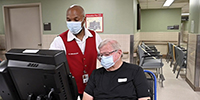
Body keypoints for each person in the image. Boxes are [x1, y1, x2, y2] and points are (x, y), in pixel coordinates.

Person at [49, 5, 102, 99]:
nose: (72, 23)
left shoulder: (94, 37)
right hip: (71, 90)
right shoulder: (60, 40)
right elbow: (52, 66)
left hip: (91, 88)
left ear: (84, 20)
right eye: (69, 20)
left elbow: (103, 57)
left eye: (76, 20)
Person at [83, 39, 151, 100]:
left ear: (119, 53)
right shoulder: (96, 74)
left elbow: (144, 97)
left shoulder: (135, 71)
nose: (103, 58)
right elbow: (87, 97)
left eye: (106, 54)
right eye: (101, 55)